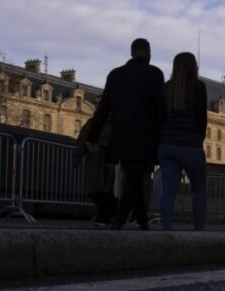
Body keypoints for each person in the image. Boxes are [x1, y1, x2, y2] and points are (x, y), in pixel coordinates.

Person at [88, 38, 165, 230]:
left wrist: (92, 135)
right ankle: (120, 219)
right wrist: (163, 136)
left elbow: (104, 108)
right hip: (145, 136)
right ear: (148, 53)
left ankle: (140, 220)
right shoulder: (154, 74)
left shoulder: (115, 75)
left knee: (133, 176)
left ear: (131, 53)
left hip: (121, 135)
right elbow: (161, 108)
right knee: (135, 177)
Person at [157, 52, 208, 230]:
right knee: (199, 191)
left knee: (168, 192)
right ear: (193, 66)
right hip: (191, 145)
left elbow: (160, 118)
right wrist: (198, 139)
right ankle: (199, 230)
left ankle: (167, 230)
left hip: (167, 145)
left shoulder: (167, 88)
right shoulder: (199, 87)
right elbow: (202, 119)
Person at [74, 94, 116, 227]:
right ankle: (106, 215)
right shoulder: (91, 123)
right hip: (94, 160)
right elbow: (82, 140)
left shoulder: (114, 122)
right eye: (96, 103)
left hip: (108, 161)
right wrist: (77, 155)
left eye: (100, 103)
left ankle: (104, 217)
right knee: (93, 191)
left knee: (106, 190)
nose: (97, 106)